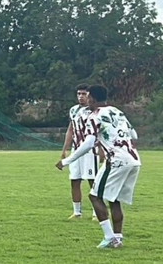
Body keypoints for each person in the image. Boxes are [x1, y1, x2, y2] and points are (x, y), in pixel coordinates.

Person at [57, 84, 141, 250]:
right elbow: (134, 134)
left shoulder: (94, 116)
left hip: (116, 160)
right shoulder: (117, 111)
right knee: (114, 199)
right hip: (134, 158)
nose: (86, 100)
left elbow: (88, 143)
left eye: (87, 97)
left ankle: (109, 237)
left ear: (93, 98)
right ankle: (118, 238)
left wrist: (66, 161)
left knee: (94, 196)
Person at [61, 85, 97, 219]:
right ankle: (77, 212)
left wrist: (100, 150)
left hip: (89, 150)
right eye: (78, 94)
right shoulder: (73, 110)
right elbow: (70, 130)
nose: (81, 96)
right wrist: (65, 149)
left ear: (89, 95)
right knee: (74, 180)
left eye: (83, 94)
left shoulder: (94, 110)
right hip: (75, 149)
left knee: (92, 181)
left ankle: (96, 212)